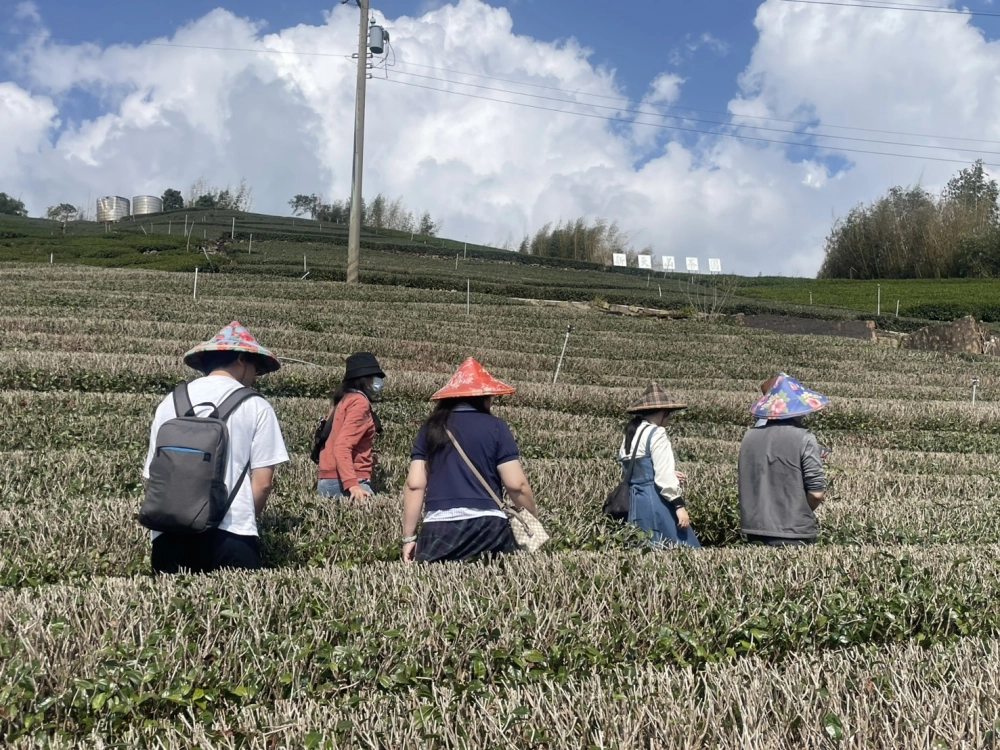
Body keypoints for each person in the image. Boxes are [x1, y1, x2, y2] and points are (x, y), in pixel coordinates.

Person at [142, 321, 289, 574]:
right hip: (230, 534)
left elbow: (153, 475)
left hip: (168, 534)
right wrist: (246, 519)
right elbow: (263, 483)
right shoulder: (257, 406)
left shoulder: (170, 401)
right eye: (255, 368)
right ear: (241, 359)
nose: (255, 377)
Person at [401, 358, 538, 563]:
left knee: (435, 582)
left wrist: (409, 538)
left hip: (439, 526)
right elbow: (517, 485)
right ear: (484, 398)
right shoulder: (497, 427)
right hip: (488, 527)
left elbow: (414, 485)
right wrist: (533, 519)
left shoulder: (430, 428)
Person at [738, 372, 828, 547]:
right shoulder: (805, 438)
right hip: (794, 530)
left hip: (753, 527)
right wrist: (801, 511)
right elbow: (816, 493)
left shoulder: (749, 437)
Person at [619, 383, 701, 548]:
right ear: (663, 413)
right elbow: (663, 478)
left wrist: (663, 472)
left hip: (636, 502)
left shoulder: (631, 432)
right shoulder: (657, 433)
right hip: (655, 501)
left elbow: (634, 469)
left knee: (641, 547)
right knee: (678, 547)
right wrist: (679, 506)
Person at [317, 352, 385, 501]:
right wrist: (352, 485)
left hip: (329, 479)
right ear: (365, 379)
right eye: (374, 377)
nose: (378, 381)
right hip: (346, 481)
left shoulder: (344, 400)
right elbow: (342, 445)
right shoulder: (359, 403)